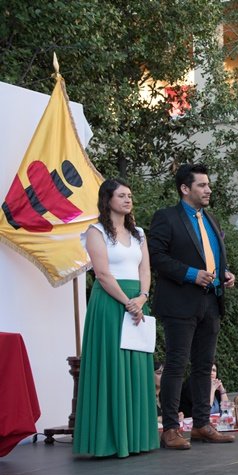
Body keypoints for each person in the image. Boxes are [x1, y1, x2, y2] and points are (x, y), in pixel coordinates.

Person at [148, 163, 236, 450]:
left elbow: (211, 257)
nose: (208, 189)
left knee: (204, 366)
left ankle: (201, 424)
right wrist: (190, 274)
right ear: (185, 189)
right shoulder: (166, 217)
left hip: (211, 301)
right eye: (202, 185)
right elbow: (156, 256)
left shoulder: (211, 219)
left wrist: (224, 273)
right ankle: (171, 429)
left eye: (208, 184)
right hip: (179, 302)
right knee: (176, 365)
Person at [73, 179, 160, 458]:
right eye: (121, 195)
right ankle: (110, 440)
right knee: (112, 367)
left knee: (136, 368)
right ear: (107, 199)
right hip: (111, 304)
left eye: (129, 195)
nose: (127, 199)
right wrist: (127, 302)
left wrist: (142, 298)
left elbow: (145, 269)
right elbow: (102, 274)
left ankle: (135, 439)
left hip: (137, 302)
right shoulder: (95, 231)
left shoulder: (139, 234)